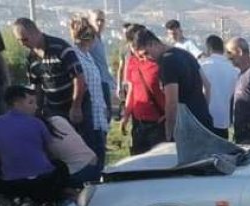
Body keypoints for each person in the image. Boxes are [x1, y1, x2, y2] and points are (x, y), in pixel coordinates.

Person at [0, 85, 67, 204]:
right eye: (31, 103)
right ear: (16, 103)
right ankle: (51, 198)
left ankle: (14, 198)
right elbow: (52, 152)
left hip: (12, 184)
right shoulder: (37, 123)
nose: (36, 107)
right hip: (43, 181)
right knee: (61, 166)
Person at [131, 28, 212, 141]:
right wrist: (201, 109)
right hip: (203, 120)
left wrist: (169, 133)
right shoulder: (185, 54)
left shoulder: (167, 61)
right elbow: (207, 86)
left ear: (153, 43)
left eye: (146, 53)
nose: (146, 58)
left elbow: (171, 103)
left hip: (186, 127)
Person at [12, 17, 86, 129]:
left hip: (75, 104)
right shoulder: (31, 59)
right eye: (19, 41)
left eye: (25, 39)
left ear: (35, 33)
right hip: (54, 109)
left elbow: (78, 78)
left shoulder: (60, 47)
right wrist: (38, 110)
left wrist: (76, 106)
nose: (23, 44)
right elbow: (37, 87)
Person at [119, 23, 165, 155]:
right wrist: (126, 115)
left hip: (158, 121)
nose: (133, 48)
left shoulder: (158, 61)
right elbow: (132, 90)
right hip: (139, 122)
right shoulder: (132, 62)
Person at [69, 16, 107, 166]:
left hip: (98, 116)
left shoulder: (88, 56)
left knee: (99, 157)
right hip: (87, 116)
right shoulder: (74, 55)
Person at [42, 113, 98, 187]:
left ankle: (70, 193)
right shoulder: (58, 118)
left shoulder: (39, 131)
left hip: (78, 172)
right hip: (94, 162)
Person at [198, 35, 237, 139]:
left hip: (204, 119)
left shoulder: (202, 65)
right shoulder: (233, 68)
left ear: (209, 49)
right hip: (223, 121)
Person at [87, 9, 113, 117]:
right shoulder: (89, 36)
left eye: (102, 20)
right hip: (96, 84)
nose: (100, 23)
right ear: (90, 21)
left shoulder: (98, 38)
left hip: (104, 81)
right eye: (97, 20)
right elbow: (80, 50)